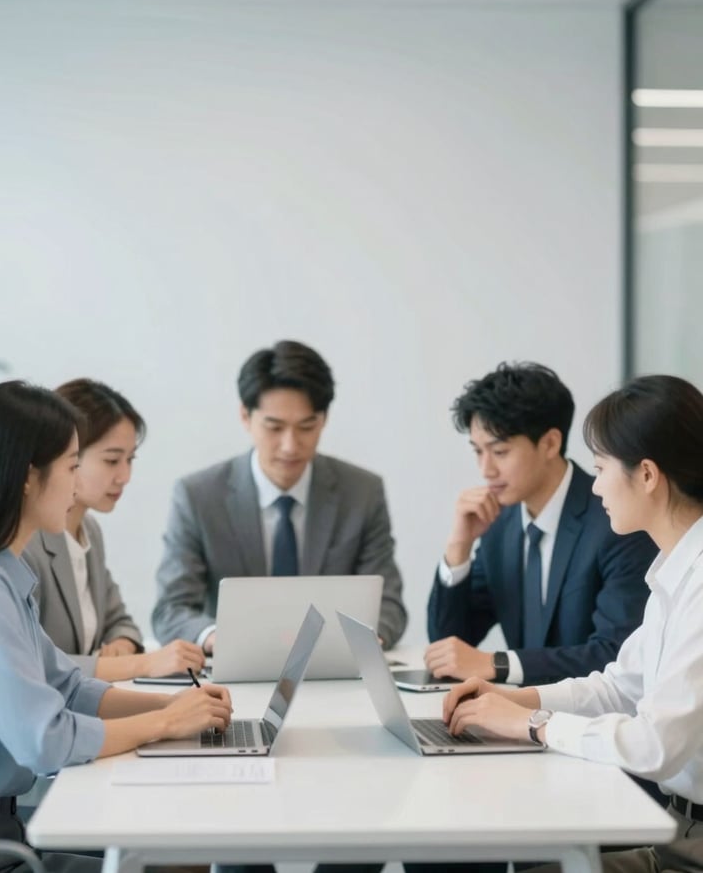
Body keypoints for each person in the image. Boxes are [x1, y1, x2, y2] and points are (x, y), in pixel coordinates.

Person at [0, 381, 232, 873]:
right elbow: (45, 740)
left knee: (181, 859)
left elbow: (69, 688)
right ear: (29, 478)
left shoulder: (2, 575)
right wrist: (166, 723)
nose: (78, 487)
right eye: (73, 466)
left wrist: (178, 706)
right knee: (176, 863)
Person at [442, 374, 703, 873]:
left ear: (646, 475)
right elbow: (620, 686)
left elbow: (655, 747)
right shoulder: (675, 571)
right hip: (677, 834)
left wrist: (532, 725)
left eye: (602, 467)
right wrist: (516, 699)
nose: (596, 482)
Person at [152, 339, 407, 653]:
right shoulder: (198, 496)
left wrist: (361, 641)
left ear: (324, 419)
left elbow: (388, 605)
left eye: (306, 426)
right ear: (245, 417)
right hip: (233, 670)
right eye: (274, 427)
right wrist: (221, 640)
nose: (290, 445)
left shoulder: (361, 493)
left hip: (334, 670)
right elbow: (171, 609)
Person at [426, 362, 656, 687]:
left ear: (549, 443)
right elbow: (449, 647)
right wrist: (457, 548)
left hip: (590, 723)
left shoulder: (616, 521)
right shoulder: (499, 524)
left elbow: (615, 654)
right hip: (519, 720)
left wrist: (499, 664)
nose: (485, 469)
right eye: (478, 452)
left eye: (500, 451)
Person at [22, 378, 205, 682]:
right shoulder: (25, 543)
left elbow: (120, 619)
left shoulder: (89, 529)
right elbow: (31, 662)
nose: (125, 476)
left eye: (130, 460)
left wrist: (122, 644)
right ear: (66, 455)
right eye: (111, 460)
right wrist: (140, 665)